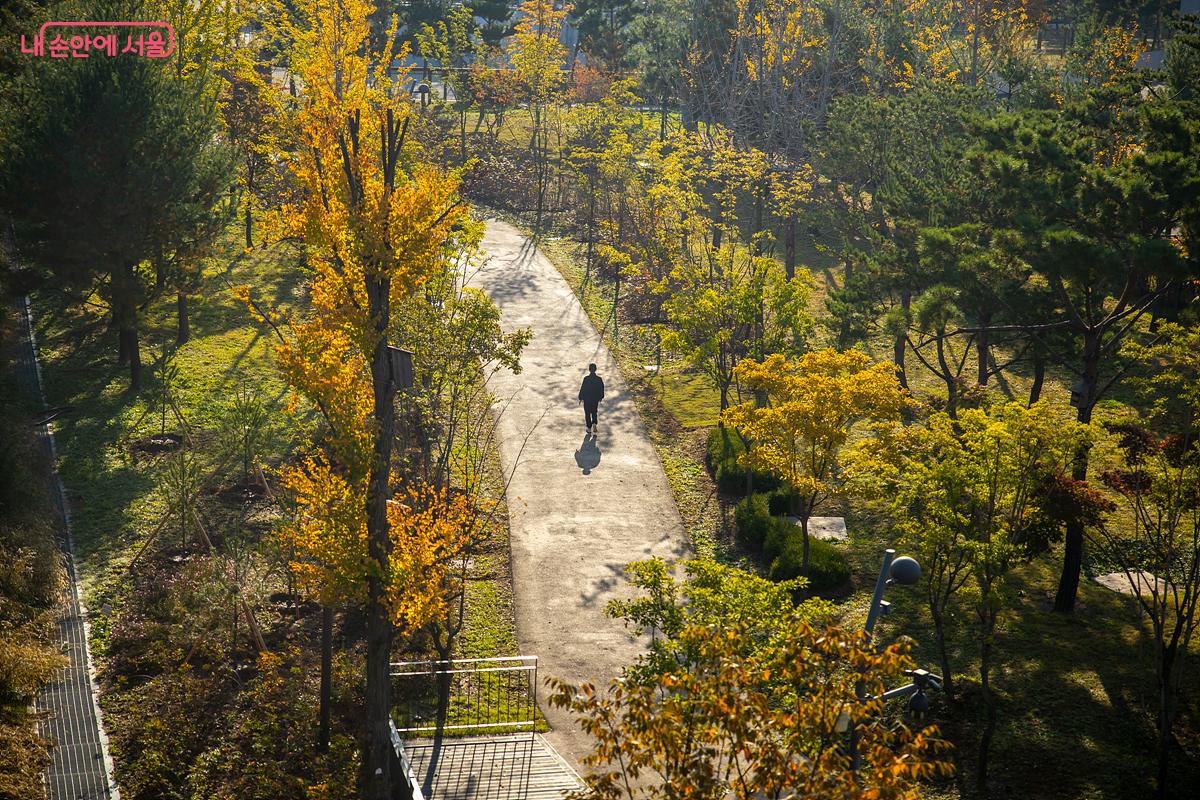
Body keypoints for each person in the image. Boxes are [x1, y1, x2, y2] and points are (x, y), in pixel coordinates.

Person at [578, 362, 604, 432]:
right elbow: (601, 388)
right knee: (594, 412)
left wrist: (580, 397)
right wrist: (601, 397)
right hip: (595, 399)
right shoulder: (599, 379)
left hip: (587, 399)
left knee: (587, 413)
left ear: (589, 369)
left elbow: (582, 388)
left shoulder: (586, 379)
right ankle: (594, 423)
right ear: (596, 369)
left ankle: (589, 427)